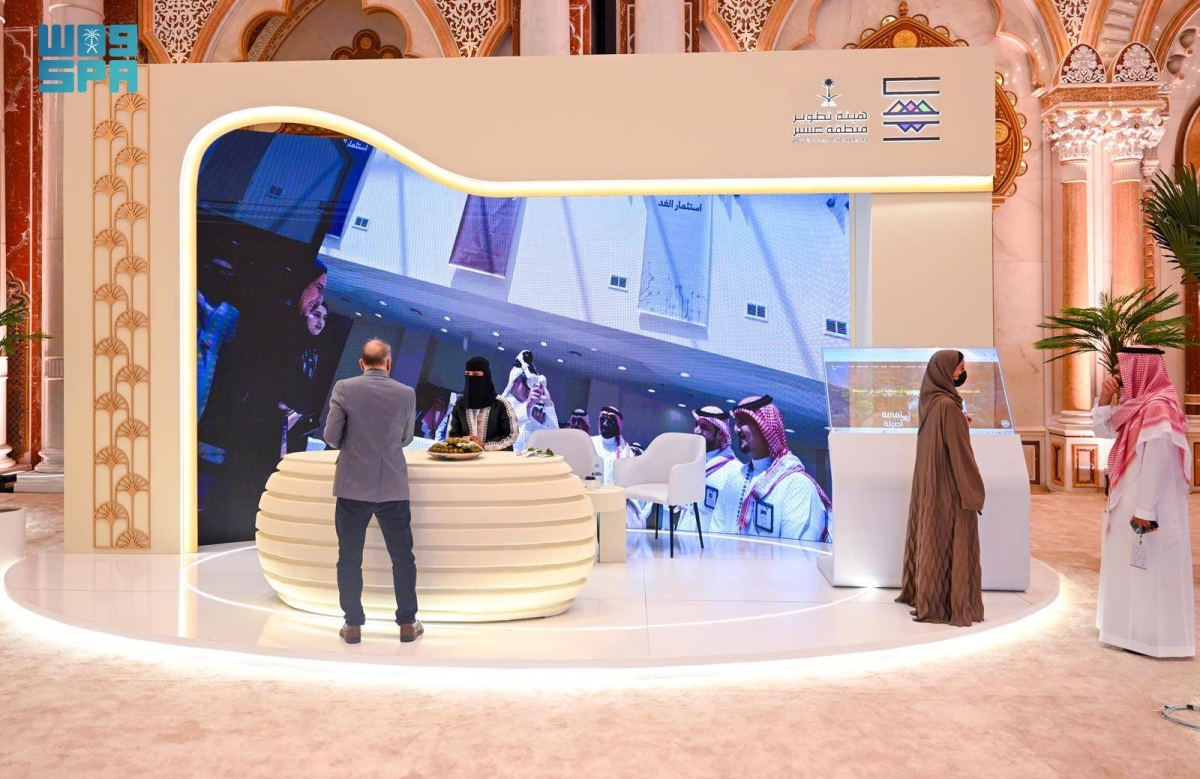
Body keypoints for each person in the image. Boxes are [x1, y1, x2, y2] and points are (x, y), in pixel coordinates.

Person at [1092, 347, 1193, 658]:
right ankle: (1127, 630)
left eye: (1121, 373)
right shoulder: (1136, 405)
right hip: (1130, 496)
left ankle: (1150, 637)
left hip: (1150, 504)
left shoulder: (1159, 407)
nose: (1119, 378)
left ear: (1142, 372)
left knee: (1149, 565)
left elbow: (1157, 463)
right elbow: (1103, 430)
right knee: (1129, 564)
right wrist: (1105, 397)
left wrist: (1144, 510)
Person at [323, 339, 422, 644]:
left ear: (361, 363)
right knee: (402, 558)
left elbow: (331, 438)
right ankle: (407, 624)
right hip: (393, 487)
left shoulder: (344, 388)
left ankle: (352, 625)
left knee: (349, 558)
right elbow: (406, 439)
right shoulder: (406, 393)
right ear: (388, 363)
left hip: (352, 486)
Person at [895, 350, 986, 627]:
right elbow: (960, 454)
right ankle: (945, 604)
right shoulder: (948, 406)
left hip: (931, 485)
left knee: (932, 536)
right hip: (949, 487)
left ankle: (927, 596)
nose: (962, 373)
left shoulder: (930, 401)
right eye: (959, 368)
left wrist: (960, 421)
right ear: (946, 371)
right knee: (949, 539)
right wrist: (974, 491)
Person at [713, 396, 832, 542]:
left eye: (743, 422)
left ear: (764, 427)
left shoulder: (797, 486)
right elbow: (716, 531)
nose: (736, 429)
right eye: (736, 422)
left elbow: (797, 551)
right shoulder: (735, 478)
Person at [679, 405, 739, 533]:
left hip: (709, 543)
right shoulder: (693, 462)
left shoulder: (734, 471)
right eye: (696, 425)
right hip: (683, 538)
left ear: (720, 435)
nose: (697, 431)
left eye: (704, 427)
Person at [448, 356, 519, 450]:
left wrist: (484, 445)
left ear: (485, 376)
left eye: (475, 374)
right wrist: (464, 439)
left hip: (497, 457)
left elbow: (512, 434)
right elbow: (451, 435)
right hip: (468, 456)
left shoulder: (500, 404)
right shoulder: (459, 405)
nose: (471, 378)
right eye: (467, 374)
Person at [502, 351, 558, 450]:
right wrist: (527, 407)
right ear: (515, 381)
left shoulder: (529, 416)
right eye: (527, 384)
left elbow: (554, 437)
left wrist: (548, 404)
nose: (529, 390)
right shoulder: (498, 405)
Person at [591, 405, 634, 483]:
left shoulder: (626, 452)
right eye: (603, 420)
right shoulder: (590, 442)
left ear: (617, 426)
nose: (604, 424)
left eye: (609, 421)